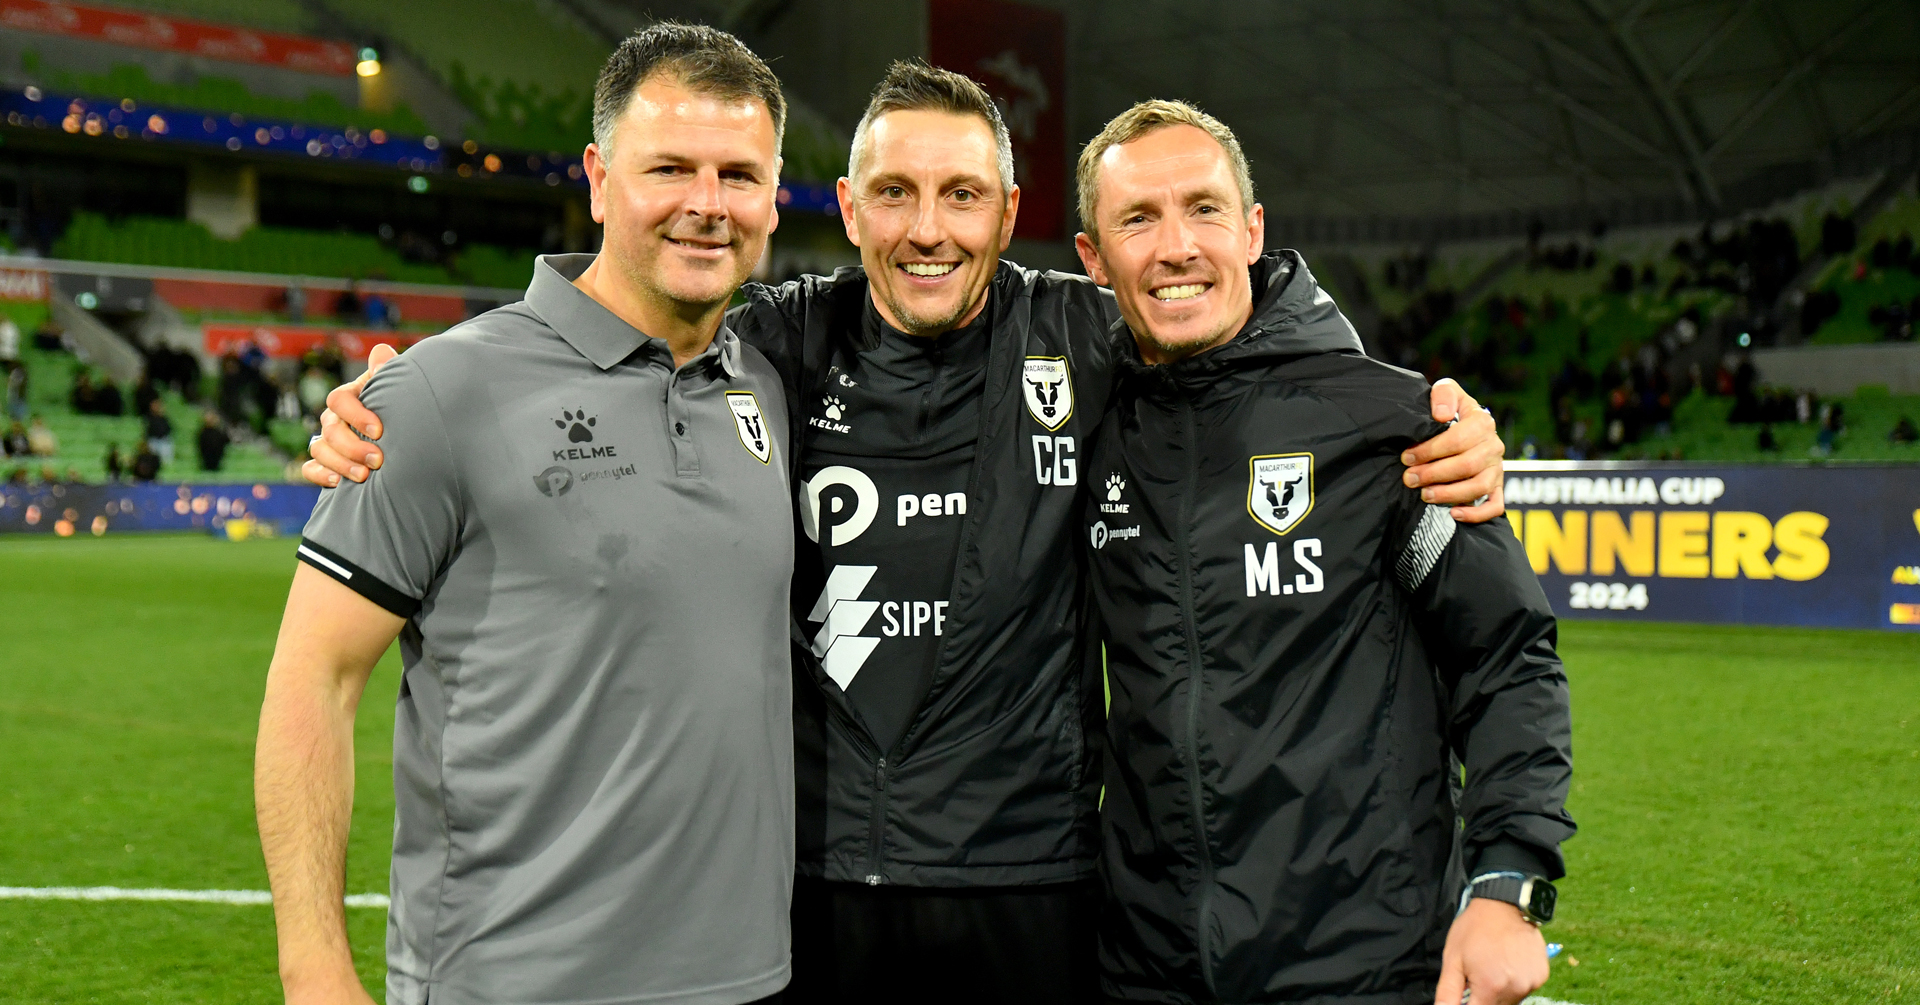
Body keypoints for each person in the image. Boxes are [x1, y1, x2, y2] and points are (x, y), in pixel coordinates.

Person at [306, 61, 1507, 1004]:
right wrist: (403, 391)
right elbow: (622, 315)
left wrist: (1420, 408)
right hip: (814, 892)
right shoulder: (774, 343)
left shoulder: (1083, 337)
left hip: (1030, 886)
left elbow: (1234, 318)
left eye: (963, 195)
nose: (929, 229)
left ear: (1013, 212)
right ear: (847, 205)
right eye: (895, 193)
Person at [255, 24, 796, 1005]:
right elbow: (313, 685)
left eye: (738, 175)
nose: (706, 206)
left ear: (774, 193)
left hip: (746, 981)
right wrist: (314, 972)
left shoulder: (763, 381)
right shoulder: (434, 396)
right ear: (597, 177)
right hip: (507, 980)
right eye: (669, 168)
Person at [1072, 100, 1571, 1005]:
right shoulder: (1086, 421)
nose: (1176, 245)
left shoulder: (1389, 425)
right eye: (1137, 219)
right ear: (1093, 259)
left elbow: (1506, 659)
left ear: (1254, 227)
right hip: (1145, 966)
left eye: (1205, 208)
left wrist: (1507, 882)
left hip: (1362, 963)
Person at [143, 398, 173, 466]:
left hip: (163, 440)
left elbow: (168, 429)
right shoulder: (148, 417)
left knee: (166, 460)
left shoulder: (164, 418)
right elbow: (148, 430)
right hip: (153, 441)